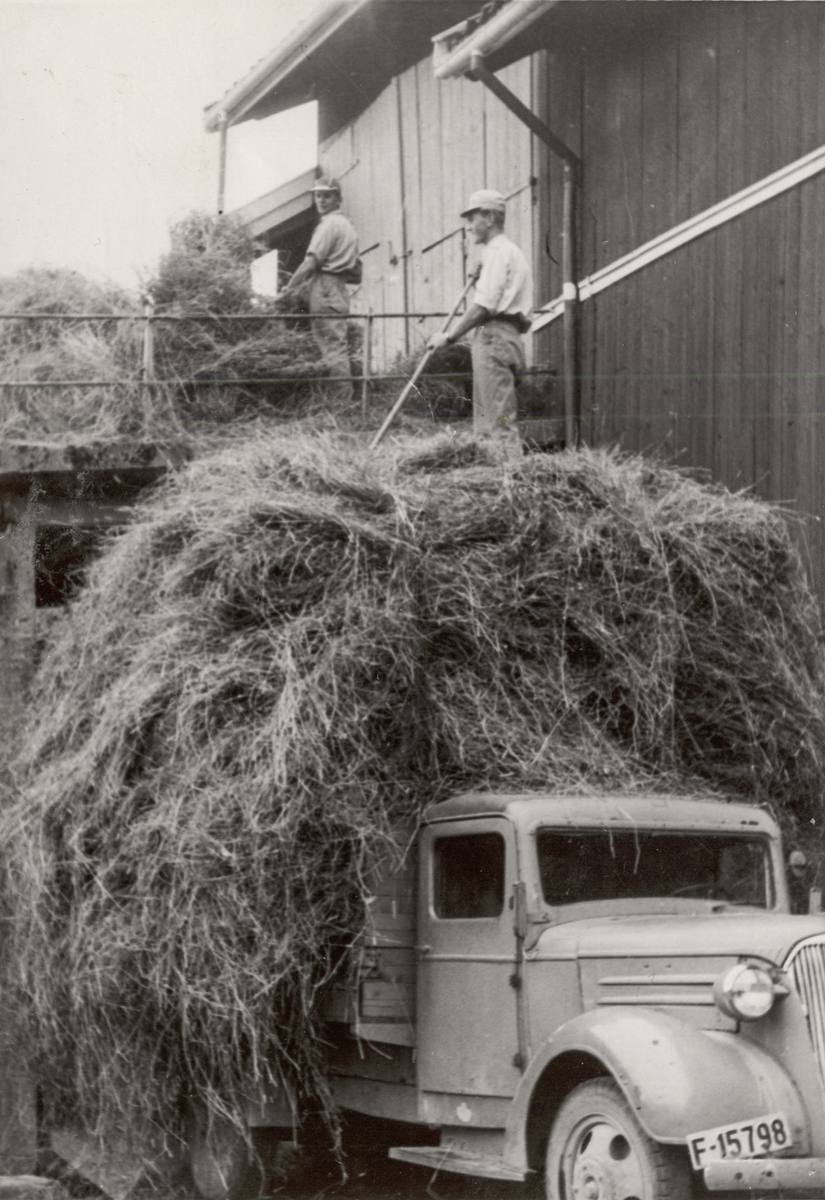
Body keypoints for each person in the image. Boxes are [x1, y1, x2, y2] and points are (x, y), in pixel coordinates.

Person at [427, 189, 532, 458]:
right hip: (507, 336)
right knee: (488, 425)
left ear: (490, 217)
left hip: (493, 335)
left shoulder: (497, 252)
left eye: (472, 218)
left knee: (499, 425)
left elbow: (483, 307)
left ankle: (514, 485)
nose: (468, 226)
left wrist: (450, 337)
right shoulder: (507, 252)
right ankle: (495, 484)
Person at [281, 176, 360, 408]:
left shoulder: (329, 225)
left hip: (325, 287)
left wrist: (288, 289)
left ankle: (341, 405)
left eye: (327, 195)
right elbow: (357, 271)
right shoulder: (349, 227)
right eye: (318, 195)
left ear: (338, 198)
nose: (321, 200)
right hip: (338, 288)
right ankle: (340, 402)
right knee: (336, 345)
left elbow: (311, 262)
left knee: (332, 348)